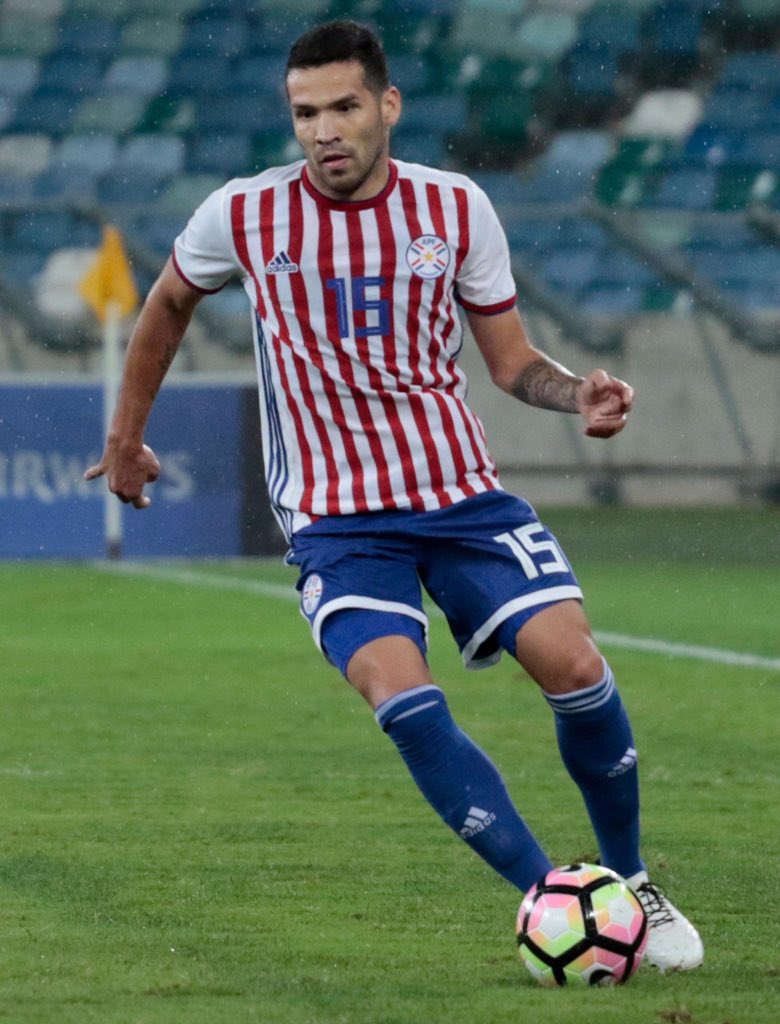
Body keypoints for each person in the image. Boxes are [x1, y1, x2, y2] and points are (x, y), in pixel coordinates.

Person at [86, 19, 703, 972]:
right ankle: (552, 901)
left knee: (576, 669)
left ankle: (629, 885)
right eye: (304, 114)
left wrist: (577, 389)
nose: (323, 131)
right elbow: (168, 301)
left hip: (462, 499)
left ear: (387, 105)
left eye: (342, 107)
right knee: (399, 693)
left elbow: (509, 363)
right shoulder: (242, 215)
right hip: (337, 524)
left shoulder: (456, 210)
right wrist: (125, 436)